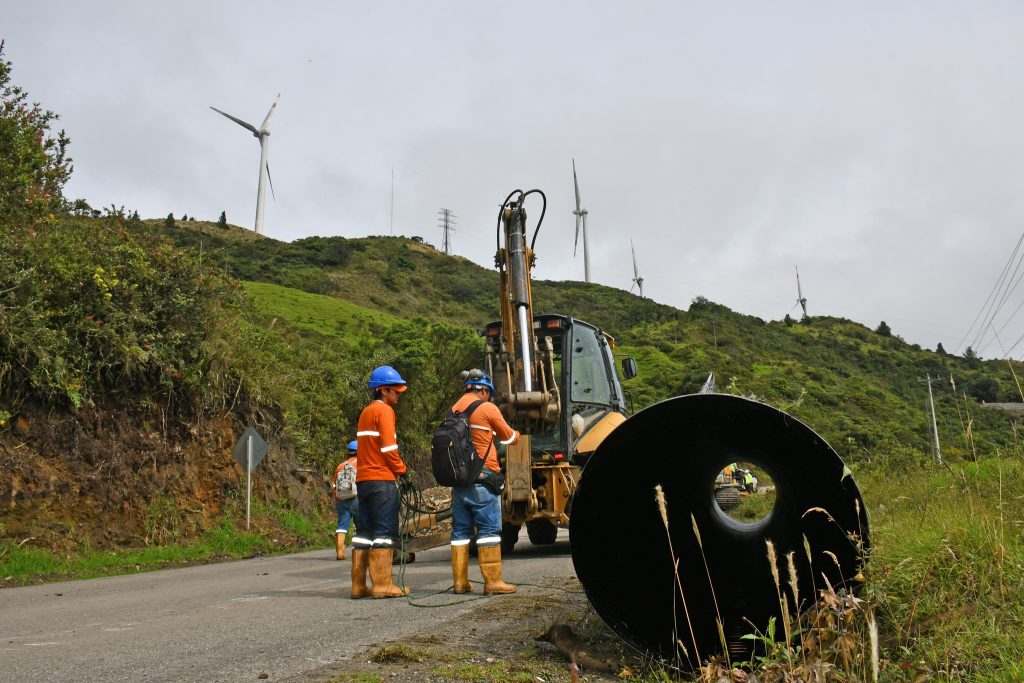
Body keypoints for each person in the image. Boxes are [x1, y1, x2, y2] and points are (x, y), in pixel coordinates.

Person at [449, 371, 520, 595]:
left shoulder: (453, 410)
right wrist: (517, 435)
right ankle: (493, 582)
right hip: (483, 478)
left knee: (460, 532)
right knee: (488, 530)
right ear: (484, 390)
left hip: (460, 481)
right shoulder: (487, 408)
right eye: (488, 393)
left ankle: (460, 583)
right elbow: (508, 437)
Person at [350, 365, 412, 599]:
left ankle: (359, 586)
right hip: (382, 481)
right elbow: (388, 447)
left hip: (364, 482)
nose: (399, 394)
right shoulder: (385, 412)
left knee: (364, 535)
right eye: (396, 391)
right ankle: (382, 585)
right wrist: (402, 470)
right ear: (384, 390)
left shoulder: (365, 412)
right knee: (385, 534)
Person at [332, 440, 359, 561]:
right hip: (356, 499)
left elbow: (334, 485)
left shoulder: (340, 466)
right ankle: (360, 550)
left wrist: (337, 499)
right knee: (361, 525)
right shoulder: (360, 464)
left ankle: (340, 552)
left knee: (342, 525)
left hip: (342, 499)